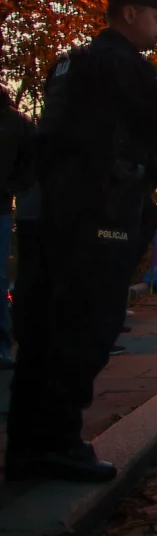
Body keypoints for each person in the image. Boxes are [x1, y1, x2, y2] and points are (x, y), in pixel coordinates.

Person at [6, 0, 157, 482]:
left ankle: (30, 444)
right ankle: (59, 443)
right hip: (97, 214)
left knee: (44, 330)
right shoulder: (121, 65)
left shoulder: (71, 63)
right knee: (85, 329)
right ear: (130, 14)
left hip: (53, 213)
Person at [0, 87, 36, 371]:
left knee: (2, 278)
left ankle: (3, 345)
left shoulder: (16, 122)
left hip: (1, 206)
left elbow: (31, 162)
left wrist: (13, 187)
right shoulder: (18, 121)